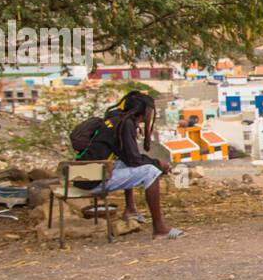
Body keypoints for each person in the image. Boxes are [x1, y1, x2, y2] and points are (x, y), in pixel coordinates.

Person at [78, 91, 184, 239]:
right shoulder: (125, 124)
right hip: (94, 181)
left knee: (125, 164)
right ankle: (159, 229)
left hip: (82, 176)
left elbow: (128, 158)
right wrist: (158, 164)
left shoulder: (114, 119)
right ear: (142, 111)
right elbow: (134, 159)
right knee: (151, 171)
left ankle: (130, 209)